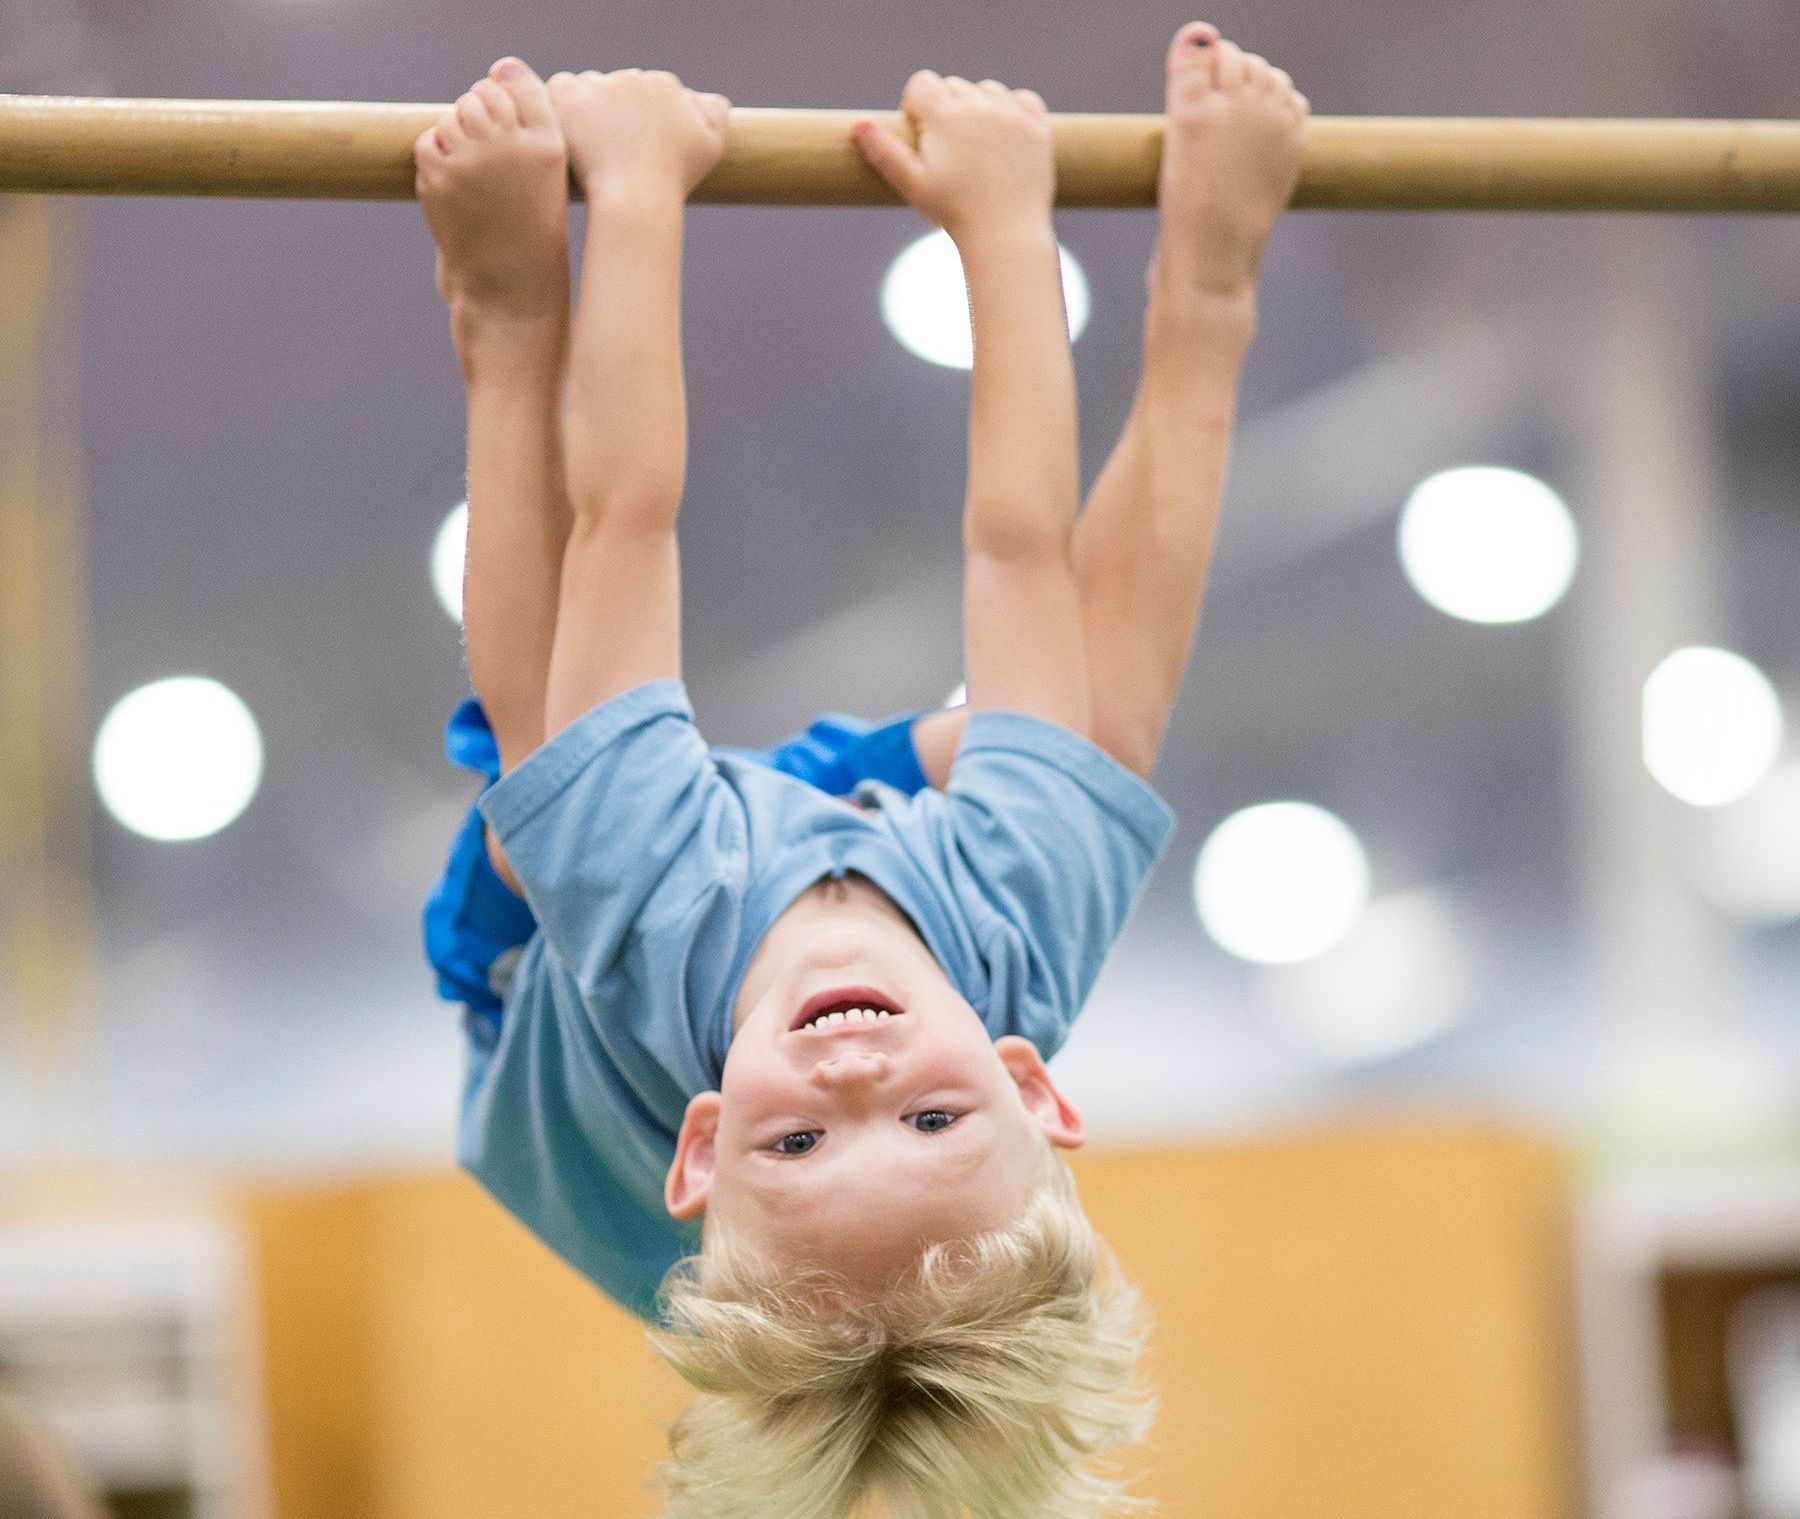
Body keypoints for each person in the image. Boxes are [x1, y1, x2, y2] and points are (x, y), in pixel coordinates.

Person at [415, 24, 1306, 1517]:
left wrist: (629, 205)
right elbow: (1012, 551)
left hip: (558, 1017)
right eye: (938, 1119)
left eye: (800, 1137)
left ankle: (492, 315)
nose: (855, 1076)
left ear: (706, 1141)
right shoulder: (1017, 931)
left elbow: (623, 524)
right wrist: (1004, 222)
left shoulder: (648, 921)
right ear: (1033, 1082)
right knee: (1090, 732)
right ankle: (1212, 291)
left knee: (542, 754)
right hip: (853, 850)